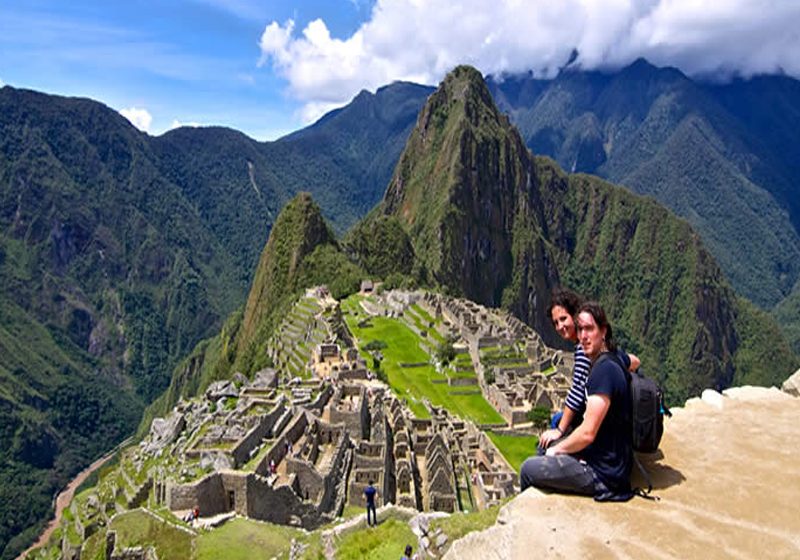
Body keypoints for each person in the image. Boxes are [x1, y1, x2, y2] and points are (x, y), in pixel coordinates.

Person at [520, 302, 634, 501]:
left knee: (528, 469)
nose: (583, 336)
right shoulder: (611, 360)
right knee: (548, 445)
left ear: (603, 331)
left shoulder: (603, 371)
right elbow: (634, 360)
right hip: (610, 461)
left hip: (602, 473)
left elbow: (588, 433)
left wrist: (556, 450)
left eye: (589, 329)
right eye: (580, 329)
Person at [539, 288, 640, 451]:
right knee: (559, 417)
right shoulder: (604, 346)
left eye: (564, 319)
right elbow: (635, 361)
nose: (560, 326)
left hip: (603, 430)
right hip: (617, 423)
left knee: (556, 424)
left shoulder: (584, 349)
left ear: (575, 316)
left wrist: (559, 430)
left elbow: (578, 391)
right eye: (556, 322)